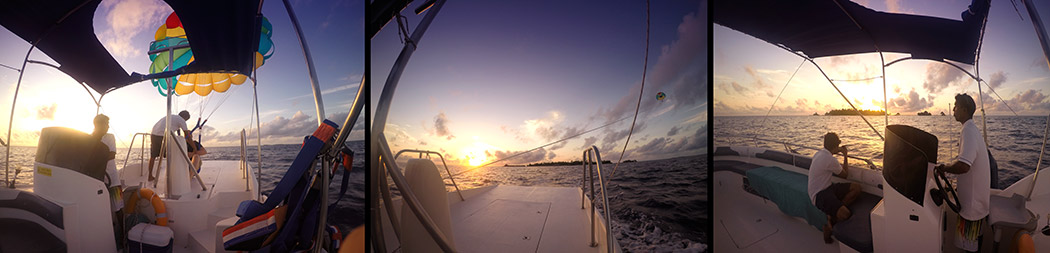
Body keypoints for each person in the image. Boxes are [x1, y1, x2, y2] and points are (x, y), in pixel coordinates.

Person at [935, 93, 990, 252]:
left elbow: (964, 166)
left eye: (956, 106)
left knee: (970, 248)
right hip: (976, 204)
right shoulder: (971, 129)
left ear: (964, 110)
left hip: (972, 207)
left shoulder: (969, 131)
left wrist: (944, 168)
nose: (953, 109)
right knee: (973, 246)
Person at [808, 132, 862, 244]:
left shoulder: (819, 153)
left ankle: (833, 211)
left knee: (856, 188)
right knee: (845, 214)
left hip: (827, 187)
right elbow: (845, 174)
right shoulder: (830, 159)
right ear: (835, 146)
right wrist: (845, 155)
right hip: (819, 195)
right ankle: (828, 227)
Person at [148, 111, 192, 181]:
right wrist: (194, 148)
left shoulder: (172, 117)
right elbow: (187, 136)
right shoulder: (182, 120)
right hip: (162, 135)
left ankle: (150, 176)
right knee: (172, 155)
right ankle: (172, 177)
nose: (185, 121)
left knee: (153, 156)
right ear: (185, 118)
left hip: (153, 134)